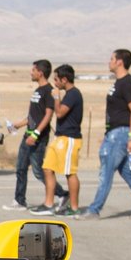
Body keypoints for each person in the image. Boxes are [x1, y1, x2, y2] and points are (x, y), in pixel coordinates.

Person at [83, 49, 131, 219]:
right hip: (113, 132)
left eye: (111, 59)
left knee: (106, 172)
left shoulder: (128, 83)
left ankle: (94, 209)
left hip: (121, 133)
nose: (109, 61)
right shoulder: (118, 83)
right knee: (128, 173)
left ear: (119, 62)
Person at [4, 60, 58, 209]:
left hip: (37, 138)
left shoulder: (49, 91)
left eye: (33, 70)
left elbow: (48, 115)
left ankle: (62, 194)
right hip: (28, 135)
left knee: (39, 171)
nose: (31, 72)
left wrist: (36, 134)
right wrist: (17, 125)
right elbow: (33, 116)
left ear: (40, 73)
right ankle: (19, 200)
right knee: (20, 168)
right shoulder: (37, 92)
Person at [41, 64, 84, 213]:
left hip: (70, 138)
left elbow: (59, 113)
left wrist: (56, 97)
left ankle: (74, 207)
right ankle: (48, 204)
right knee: (47, 167)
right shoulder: (69, 94)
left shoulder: (73, 94)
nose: (55, 83)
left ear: (64, 80)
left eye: (56, 79)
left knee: (69, 172)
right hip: (60, 137)